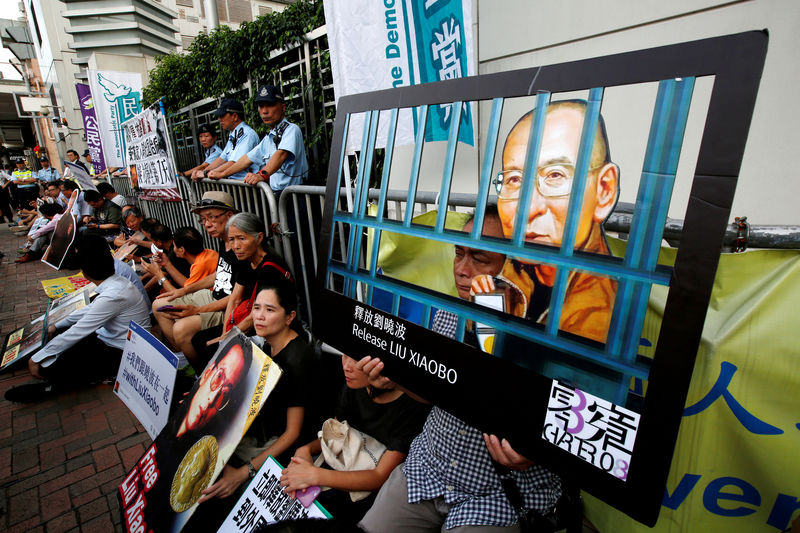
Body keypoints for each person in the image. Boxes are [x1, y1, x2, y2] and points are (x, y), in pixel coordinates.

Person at [358, 210, 562, 533]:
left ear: (518, 266)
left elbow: (574, 429)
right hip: (428, 469)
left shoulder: (551, 337)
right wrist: (396, 377)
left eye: (479, 258)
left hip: (498, 496)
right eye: (458, 253)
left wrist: (537, 453)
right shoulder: (446, 313)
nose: (461, 270)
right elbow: (432, 391)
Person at [471, 100, 620, 344]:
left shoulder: (598, 314)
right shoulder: (518, 270)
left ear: (604, 190)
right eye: (514, 180)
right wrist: (485, 308)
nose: (528, 210)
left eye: (555, 176)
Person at [185, 282, 319, 532]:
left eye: (270, 310)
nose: (259, 315)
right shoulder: (268, 343)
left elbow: (293, 434)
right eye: (256, 307)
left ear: (290, 317)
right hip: (260, 432)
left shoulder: (298, 360)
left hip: (283, 448)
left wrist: (243, 472)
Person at [281, 352, 431, 527]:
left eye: (357, 359)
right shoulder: (353, 386)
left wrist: (314, 475)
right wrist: (305, 450)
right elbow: (336, 433)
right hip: (336, 468)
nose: (347, 366)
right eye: (345, 356)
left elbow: (379, 477)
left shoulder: (412, 407)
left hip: (365, 496)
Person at [20, 235, 151, 398]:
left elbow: (80, 329)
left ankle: (62, 384)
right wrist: (57, 325)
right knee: (59, 337)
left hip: (123, 351)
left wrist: (37, 358)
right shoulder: (115, 283)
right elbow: (88, 311)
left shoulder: (114, 293)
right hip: (113, 340)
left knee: (47, 365)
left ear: (85, 273)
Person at [152, 191, 239, 370]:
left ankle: (201, 375)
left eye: (211, 217)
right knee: (159, 304)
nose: (207, 224)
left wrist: (197, 310)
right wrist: (184, 291)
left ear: (229, 215)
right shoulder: (224, 241)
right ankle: (183, 357)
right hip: (213, 296)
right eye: (203, 219)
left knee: (181, 329)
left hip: (228, 305)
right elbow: (220, 274)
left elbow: (238, 296)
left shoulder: (240, 245)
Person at [207, 85, 308, 193]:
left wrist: (261, 175)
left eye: (270, 105)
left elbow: (281, 154)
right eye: (261, 106)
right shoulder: (268, 139)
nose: (264, 111)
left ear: (283, 107)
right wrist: (222, 174)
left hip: (296, 196)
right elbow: (246, 159)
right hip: (278, 195)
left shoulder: (292, 129)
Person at [148, 226, 219, 343]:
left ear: (182, 250)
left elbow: (180, 294)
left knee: (160, 307)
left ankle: (178, 347)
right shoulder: (208, 254)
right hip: (207, 296)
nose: (173, 249)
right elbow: (188, 286)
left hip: (214, 302)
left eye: (174, 246)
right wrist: (167, 264)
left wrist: (159, 274)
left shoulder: (200, 265)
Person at [192, 99, 259, 182]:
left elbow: (234, 162)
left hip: (247, 185)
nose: (219, 119)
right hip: (237, 184)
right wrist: (203, 171)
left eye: (222, 116)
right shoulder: (233, 134)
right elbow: (222, 159)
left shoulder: (247, 134)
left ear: (235, 116)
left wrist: (206, 173)